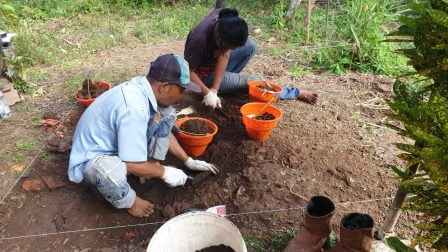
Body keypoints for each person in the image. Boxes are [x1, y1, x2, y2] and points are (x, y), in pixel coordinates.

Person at [68, 54, 219, 218]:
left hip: (116, 143)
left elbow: (165, 132)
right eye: (181, 90)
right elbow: (130, 164)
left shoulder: (145, 87)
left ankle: (150, 166)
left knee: (166, 115)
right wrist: (164, 172)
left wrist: (188, 161)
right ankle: (130, 202)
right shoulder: (134, 108)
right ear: (164, 87)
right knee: (106, 171)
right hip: (95, 156)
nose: (182, 96)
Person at [184, 7, 319, 109]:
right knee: (254, 80)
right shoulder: (199, 39)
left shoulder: (225, 19)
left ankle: (226, 84)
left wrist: (215, 89)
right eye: (228, 46)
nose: (229, 50)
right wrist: (208, 92)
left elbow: (224, 55)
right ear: (219, 37)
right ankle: (293, 93)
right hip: (202, 77)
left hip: (214, 66)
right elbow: (188, 72)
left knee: (251, 46)